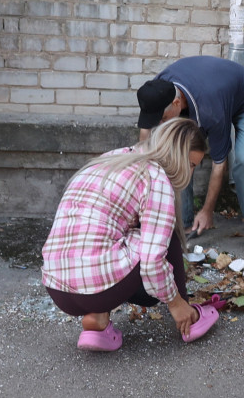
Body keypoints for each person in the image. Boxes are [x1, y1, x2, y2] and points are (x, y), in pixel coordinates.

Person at [41, 118, 219, 352]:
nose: (191, 173)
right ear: (176, 155)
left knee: (111, 237)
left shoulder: (115, 157)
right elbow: (153, 259)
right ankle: (188, 316)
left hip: (57, 288)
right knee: (163, 234)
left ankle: (98, 322)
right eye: (192, 165)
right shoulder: (156, 177)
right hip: (96, 290)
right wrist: (175, 303)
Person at [136, 56, 244, 254]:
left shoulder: (210, 110)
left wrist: (208, 210)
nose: (160, 124)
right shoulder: (157, 89)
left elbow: (219, 164)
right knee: (177, 153)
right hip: (214, 91)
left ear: (175, 103)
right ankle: (185, 223)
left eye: (163, 119)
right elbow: (145, 132)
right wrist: (139, 164)